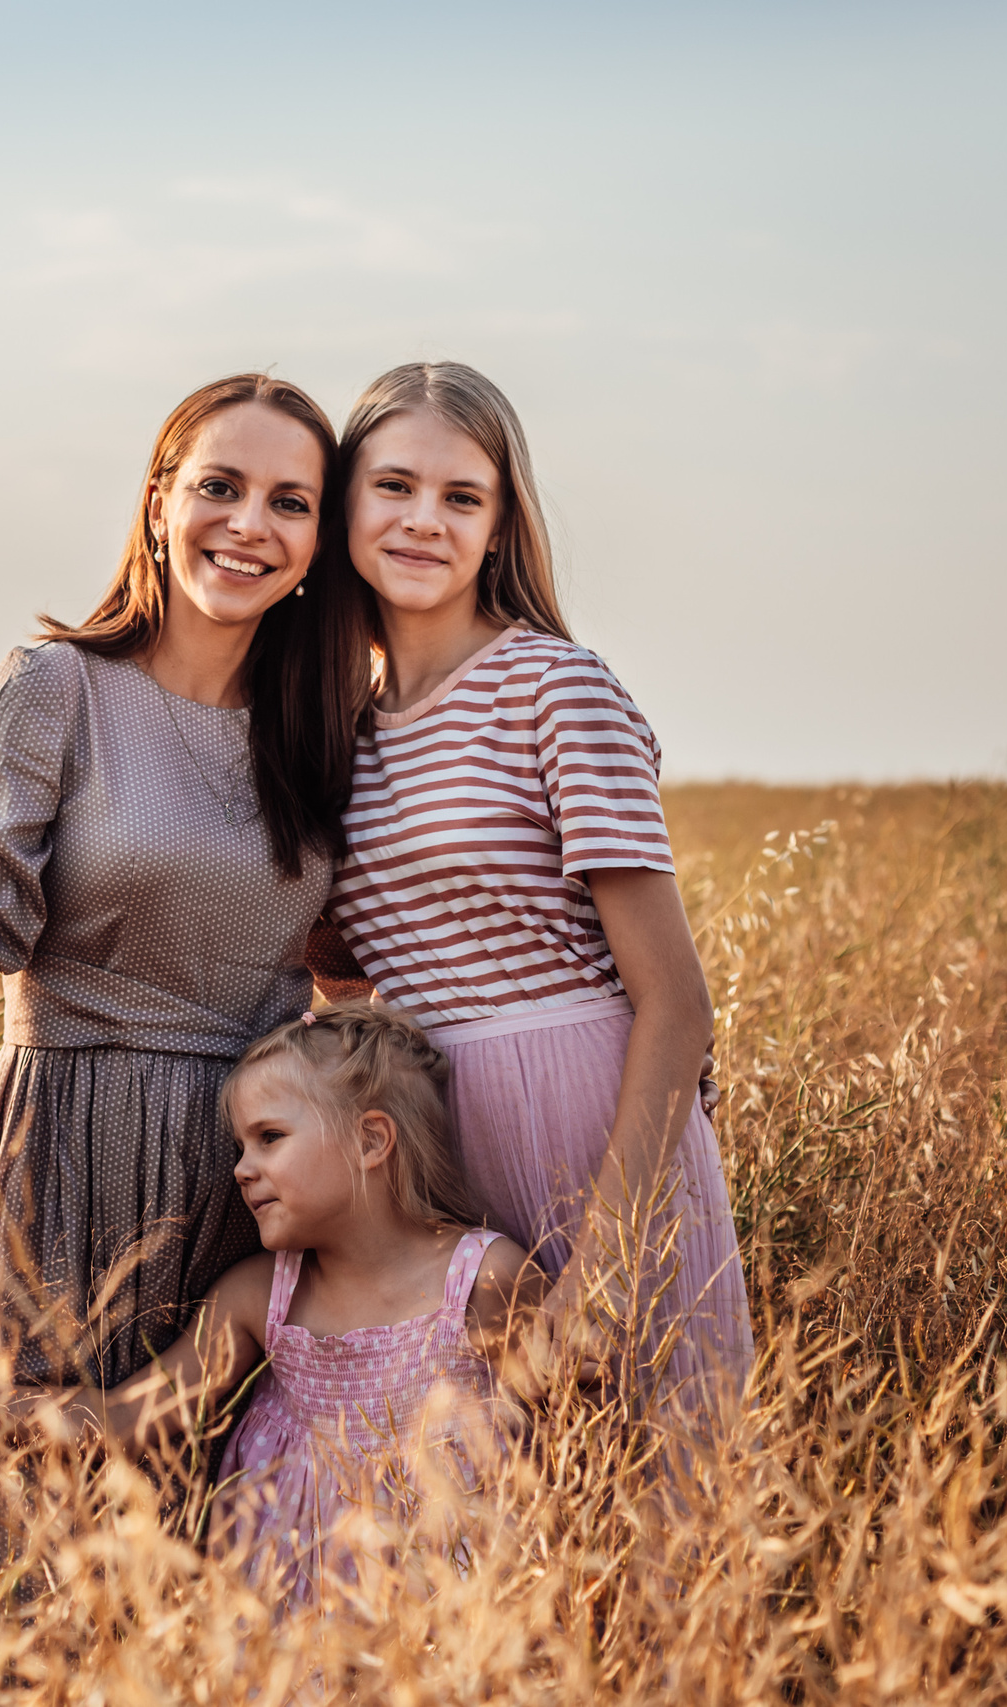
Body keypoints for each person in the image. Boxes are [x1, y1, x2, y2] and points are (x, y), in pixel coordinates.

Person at [0, 373, 372, 1395]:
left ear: (319, 543)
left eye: (291, 503)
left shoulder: (323, 736)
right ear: (159, 503)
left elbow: (358, 980)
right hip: (58, 1173)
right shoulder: (56, 689)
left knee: (216, 1534)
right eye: (220, 487)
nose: (249, 525)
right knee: (14, 1519)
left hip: (255, 1201)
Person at [319, 360, 754, 1409]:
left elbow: (675, 997)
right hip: (438, 1164)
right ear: (343, 506)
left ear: (501, 527)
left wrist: (605, 1264)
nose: (424, 520)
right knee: (490, 1540)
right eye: (393, 486)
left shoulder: (555, 688)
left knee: (653, 1523)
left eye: (462, 497)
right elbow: (341, 989)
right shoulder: (338, 735)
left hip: (595, 1138)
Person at [0, 1003, 537, 1604]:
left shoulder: (481, 1280)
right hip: (287, 1604)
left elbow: (561, 1440)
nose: (241, 1168)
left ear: (371, 1140)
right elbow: (125, 1416)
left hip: (443, 1596)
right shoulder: (263, 1297)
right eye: (240, 1145)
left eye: (269, 1137)